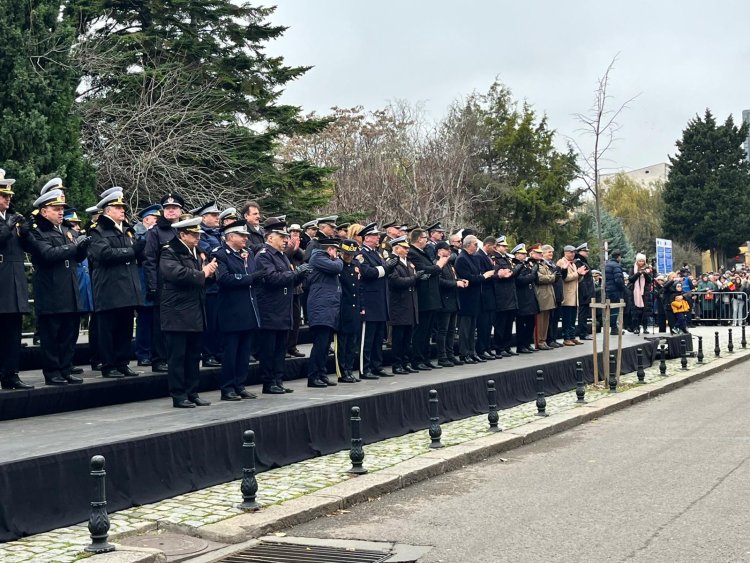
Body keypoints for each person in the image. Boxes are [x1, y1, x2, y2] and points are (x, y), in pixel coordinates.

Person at [25, 189, 90, 385]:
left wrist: (83, 247)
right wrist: (74, 247)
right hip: (51, 290)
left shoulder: (66, 229)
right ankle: (52, 371)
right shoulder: (38, 231)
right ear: (44, 211)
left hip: (69, 288)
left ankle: (65, 368)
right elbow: (48, 254)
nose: (61, 212)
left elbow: (76, 257)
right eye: (56, 208)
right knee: (52, 334)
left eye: (62, 208)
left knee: (69, 333)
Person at [160, 216, 217, 408]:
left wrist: (210, 272)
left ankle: (192, 392)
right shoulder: (169, 251)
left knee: (193, 356)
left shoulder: (196, 252)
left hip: (195, 311)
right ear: (182, 235)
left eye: (198, 234)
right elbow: (176, 274)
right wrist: (203, 273)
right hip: (177, 312)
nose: (198, 237)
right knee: (177, 357)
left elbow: (202, 277)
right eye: (193, 234)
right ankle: (179, 394)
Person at [88, 190, 145, 378]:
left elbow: (137, 254)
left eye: (122, 207)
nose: (122, 210)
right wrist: (132, 251)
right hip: (109, 286)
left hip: (127, 286)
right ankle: (108, 364)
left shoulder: (127, 230)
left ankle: (122, 362)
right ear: (107, 210)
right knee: (108, 329)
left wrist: (140, 251)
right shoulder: (98, 231)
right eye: (118, 207)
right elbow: (104, 254)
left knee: (125, 327)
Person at [255, 217, 309, 394]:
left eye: (286, 237)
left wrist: (300, 275)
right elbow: (272, 278)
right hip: (270, 309)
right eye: (282, 237)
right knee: (269, 349)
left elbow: (289, 280)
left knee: (280, 349)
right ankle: (269, 382)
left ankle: (278, 380)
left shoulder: (282, 256)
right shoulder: (264, 255)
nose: (286, 240)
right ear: (270, 237)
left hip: (283, 308)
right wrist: (295, 274)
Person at [213, 222, 261, 401]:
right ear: (231, 236)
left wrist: (254, 277)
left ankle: (240, 385)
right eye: (242, 236)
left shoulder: (247, 254)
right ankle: (227, 387)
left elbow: (255, 274)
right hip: (231, 311)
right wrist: (249, 278)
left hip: (248, 309)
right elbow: (224, 278)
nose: (246, 239)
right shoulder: (220, 254)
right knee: (230, 353)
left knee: (243, 353)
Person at [143, 192, 185, 372]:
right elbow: (149, 260)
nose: (171, 211)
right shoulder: (156, 231)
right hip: (163, 285)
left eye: (174, 208)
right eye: (167, 208)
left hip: (182, 284)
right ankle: (159, 359)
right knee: (161, 324)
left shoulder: (184, 230)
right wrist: (152, 286)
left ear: (181, 211)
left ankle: (175, 358)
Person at [0, 169, 33, 390]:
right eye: (4, 195)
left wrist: (26, 232)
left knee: (12, 332)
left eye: (9, 195)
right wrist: (9, 226)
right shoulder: (8, 221)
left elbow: (29, 247)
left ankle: (10, 374)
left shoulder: (12, 218)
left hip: (13, 280)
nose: (8, 198)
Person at [306, 237, 343, 387]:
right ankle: (313, 375)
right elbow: (337, 268)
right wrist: (338, 259)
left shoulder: (325, 259)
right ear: (330, 249)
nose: (337, 254)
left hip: (329, 306)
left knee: (326, 344)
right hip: (321, 306)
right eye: (336, 250)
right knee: (320, 344)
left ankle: (321, 373)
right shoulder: (318, 257)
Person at [407, 228, 446, 370]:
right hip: (423, 296)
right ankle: (417, 359)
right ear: (419, 239)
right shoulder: (412, 252)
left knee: (428, 330)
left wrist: (434, 269)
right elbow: (424, 270)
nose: (427, 240)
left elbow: (429, 270)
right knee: (421, 330)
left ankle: (425, 357)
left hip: (431, 296)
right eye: (425, 238)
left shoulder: (423, 252)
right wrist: (439, 265)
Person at [358, 223, 391, 379]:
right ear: (366, 238)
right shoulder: (361, 254)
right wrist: (386, 269)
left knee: (378, 337)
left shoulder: (376, 253)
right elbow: (367, 272)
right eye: (375, 236)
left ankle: (376, 365)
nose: (378, 238)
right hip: (369, 301)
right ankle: (365, 368)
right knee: (368, 338)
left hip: (380, 301)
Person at [455, 235, 495, 363]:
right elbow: (468, 277)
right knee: (465, 328)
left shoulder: (474, 258)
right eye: (475, 244)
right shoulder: (461, 258)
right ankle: (464, 353)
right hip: (466, 297)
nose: (477, 247)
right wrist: (484, 276)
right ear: (468, 245)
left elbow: (476, 274)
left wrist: (481, 276)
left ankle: (472, 351)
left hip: (476, 296)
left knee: (473, 328)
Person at [193, 201, 223, 367]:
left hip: (220, 284)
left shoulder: (218, 233)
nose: (217, 217)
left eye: (217, 215)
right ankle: (208, 354)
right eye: (213, 215)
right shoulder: (202, 234)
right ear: (203, 218)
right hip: (209, 285)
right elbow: (211, 252)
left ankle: (218, 352)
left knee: (219, 323)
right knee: (210, 323)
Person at [133, 204, 161, 366]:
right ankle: (143, 354)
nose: (157, 221)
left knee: (155, 322)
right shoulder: (138, 235)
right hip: (143, 282)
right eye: (155, 219)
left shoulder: (157, 234)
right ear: (146, 220)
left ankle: (154, 353)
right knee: (144, 321)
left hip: (156, 280)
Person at [387, 236, 419, 374]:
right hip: (399, 305)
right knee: (398, 337)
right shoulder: (392, 263)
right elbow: (396, 281)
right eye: (404, 248)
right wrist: (414, 278)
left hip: (410, 304)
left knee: (407, 337)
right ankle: (397, 363)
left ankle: (405, 362)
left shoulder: (408, 263)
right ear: (396, 248)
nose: (407, 250)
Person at [435, 241, 467, 366]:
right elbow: (439, 281)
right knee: (443, 330)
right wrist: (455, 283)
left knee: (451, 330)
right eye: (446, 249)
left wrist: (460, 280)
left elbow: (452, 278)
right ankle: (442, 357)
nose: (449, 251)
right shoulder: (437, 264)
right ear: (439, 251)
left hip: (453, 300)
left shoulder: (448, 264)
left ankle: (450, 354)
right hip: (444, 300)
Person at [336, 239, 364, 383]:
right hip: (343, 307)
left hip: (354, 307)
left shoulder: (356, 264)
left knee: (352, 343)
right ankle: (342, 372)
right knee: (342, 342)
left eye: (351, 254)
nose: (349, 257)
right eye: (347, 254)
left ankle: (349, 369)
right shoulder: (338, 265)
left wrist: (362, 306)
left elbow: (359, 287)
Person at [490, 236, 518, 357]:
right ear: (496, 246)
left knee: (508, 324)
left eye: (506, 246)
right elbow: (496, 273)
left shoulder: (507, 258)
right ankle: (499, 347)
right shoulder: (494, 258)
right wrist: (504, 273)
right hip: (501, 295)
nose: (506, 248)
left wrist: (511, 272)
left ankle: (507, 346)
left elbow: (512, 271)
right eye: (503, 246)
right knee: (501, 324)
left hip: (510, 294)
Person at [475, 236, 498, 360]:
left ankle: (487, 348)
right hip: (484, 295)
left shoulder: (487, 257)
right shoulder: (479, 256)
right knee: (483, 325)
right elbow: (483, 275)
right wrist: (497, 275)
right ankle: (482, 349)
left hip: (490, 295)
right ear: (487, 245)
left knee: (489, 324)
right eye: (494, 247)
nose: (495, 250)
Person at [513, 243, 539, 354]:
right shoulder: (515, 265)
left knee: (530, 323)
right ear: (516, 254)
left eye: (525, 254)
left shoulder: (526, 265)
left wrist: (532, 272)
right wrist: (532, 274)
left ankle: (527, 343)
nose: (524, 255)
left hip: (530, 297)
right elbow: (520, 280)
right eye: (522, 254)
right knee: (521, 324)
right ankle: (521, 345)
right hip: (522, 298)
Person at [285, 223, 306, 358]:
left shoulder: (298, 246)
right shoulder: (284, 244)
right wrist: (292, 248)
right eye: (293, 231)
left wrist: (296, 248)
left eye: (298, 232)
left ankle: (292, 346)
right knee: (287, 319)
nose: (295, 233)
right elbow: (285, 256)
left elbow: (304, 256)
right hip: (287, 286)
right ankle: (285, 347)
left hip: (297, 287)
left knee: (296, 319)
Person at [557, 245, 584, 346]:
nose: (573, 254)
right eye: (571, 252)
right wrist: (577, 273)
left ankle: (572, 336)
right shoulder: (561, 262)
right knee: (567, 318)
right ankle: (566, 337)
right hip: (567, 295)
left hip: (574, 295)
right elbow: (565, 278)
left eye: (574, 252)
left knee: (572, 318)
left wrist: (580, 275)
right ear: (565, 252)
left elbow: (577, 279)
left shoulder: (573, 264)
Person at [532, 244, 557, 350]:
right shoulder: (535, 265)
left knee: (546, 320)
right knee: (540, 321)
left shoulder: (543, 264)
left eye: (540, 253)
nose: (540, 254)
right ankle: (539, 341)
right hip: (541, 295)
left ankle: (543, 340)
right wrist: (553, 277)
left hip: (548, 295)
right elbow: (539, 278)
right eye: (538, 253)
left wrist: (551, 277)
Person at [628, 253, 653, 334]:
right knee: (635, 311)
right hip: (635, 293)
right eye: (640, 261)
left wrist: (645, 273)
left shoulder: (647, 268)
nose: (641, 263)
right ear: (637, 261)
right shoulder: (633, 268)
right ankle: (636, 327)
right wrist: (638, 273)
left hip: (645, 292)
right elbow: (631, 279)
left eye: (643, 261)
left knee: (645, 311)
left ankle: (645, 328)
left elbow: (650, 280)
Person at [575, 243, 594, 340]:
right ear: (580, 252)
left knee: (585, 312)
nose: (587, 253)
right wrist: (585, 292)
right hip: (583, 292)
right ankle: (582, 333)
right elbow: (581, 280)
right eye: (585, 251)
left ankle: (584, 332)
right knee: (583, 313)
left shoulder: (583, 262)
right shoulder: (579, 262)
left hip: (586, 291)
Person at [604, 250, 626, 335]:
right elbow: (618, 279)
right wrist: (622, 288)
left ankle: (612, 327)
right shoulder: (616, 265)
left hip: (608, 290)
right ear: (618, 257)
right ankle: (614, 328)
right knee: (615, 309)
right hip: (615, 290)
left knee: (610, 309)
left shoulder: (607, 265)